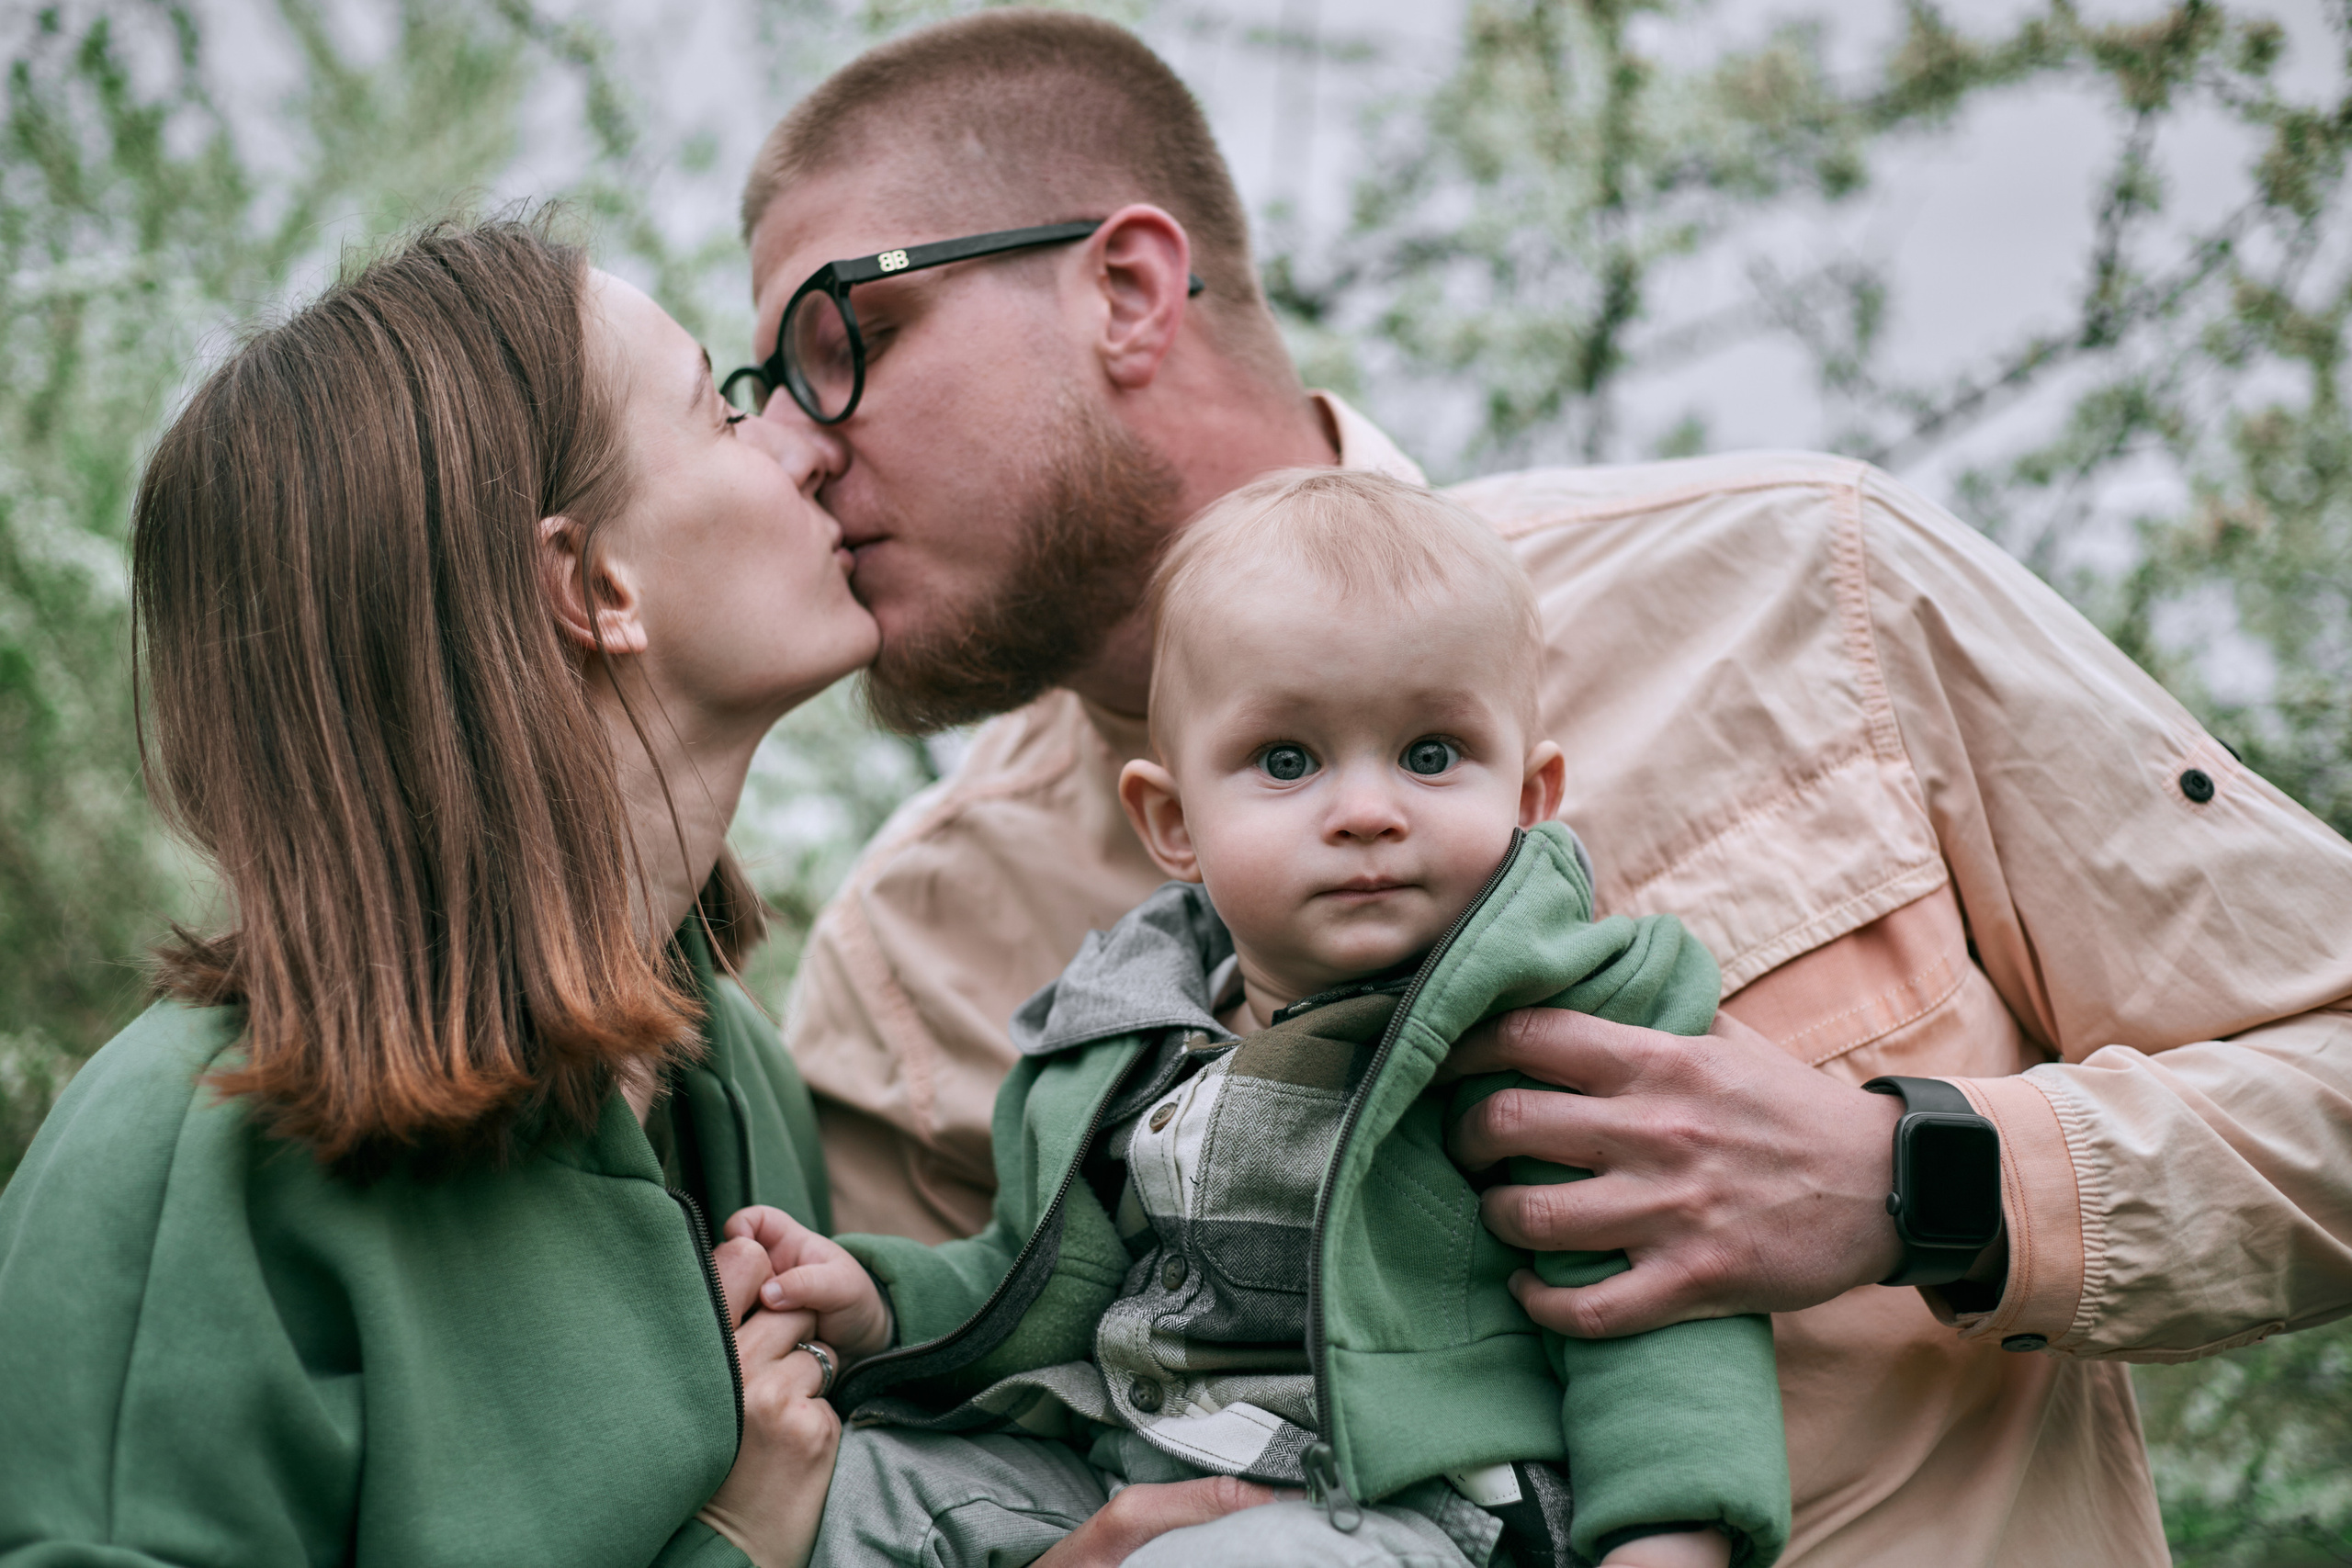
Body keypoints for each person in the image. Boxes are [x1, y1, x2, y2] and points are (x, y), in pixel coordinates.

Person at [732, 12, 2352, 1565]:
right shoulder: (907, 966)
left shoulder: (1802, 587)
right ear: (1170, 817)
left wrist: (1916, 1179)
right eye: (764, 396)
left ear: (1131, 291)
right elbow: (917, 1433)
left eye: (843, 345)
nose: (799, 452)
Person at [0, 219, 1264, 1568]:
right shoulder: (186, 1158)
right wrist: (734, 1542)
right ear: (594, 583)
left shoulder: (736, 1078)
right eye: (722, 409)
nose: (802, 440)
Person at [741, 471, 1792, 1568]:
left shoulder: (1553, 1018)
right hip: (1125, 1459)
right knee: (860, 1490)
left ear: (1528, 799)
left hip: (1415, 1505)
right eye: (1286, 762)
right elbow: (1038, 1283)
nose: (1368, 813)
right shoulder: (1118, 1035)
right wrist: (883, 1303)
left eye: (1431, 755)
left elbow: (1659, 1309)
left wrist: (1666, 1543)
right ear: (1171, 821)